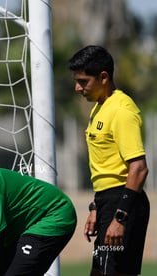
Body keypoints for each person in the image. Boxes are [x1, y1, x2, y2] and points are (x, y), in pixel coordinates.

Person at [68, 45, 150, 276]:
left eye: (83, 82)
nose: (77, 88)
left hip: (122, 203)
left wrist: (120, 217)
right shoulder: (99, 109)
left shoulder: (122, 111)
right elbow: (106, 166)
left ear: (103, 77)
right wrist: (95, 207)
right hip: (107, 203)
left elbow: (139, 168)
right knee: (101, 270)